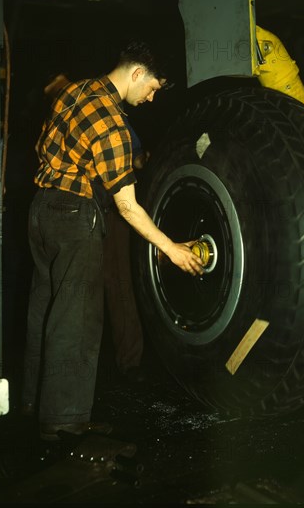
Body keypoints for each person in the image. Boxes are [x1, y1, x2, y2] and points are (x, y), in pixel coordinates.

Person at [21, 40, 204, 441]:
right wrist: (171, 249)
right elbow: (128, 207)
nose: (152, 98)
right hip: (74, 216)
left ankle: (32, 405)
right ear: (137, 73)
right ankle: (64, 421)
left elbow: (41, 147)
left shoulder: (73, 91)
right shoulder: (112, 122)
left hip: (40, 211)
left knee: (45, 310)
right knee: (78, 318)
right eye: (153, 87)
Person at [42, 73, 148, 384]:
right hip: (99, 209)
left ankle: (39, 401)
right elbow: (134, 164)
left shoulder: (70, 108)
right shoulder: (103, 112)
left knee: (70, 295)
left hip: (87, 208)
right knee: (103, 289)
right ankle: (121, 367)